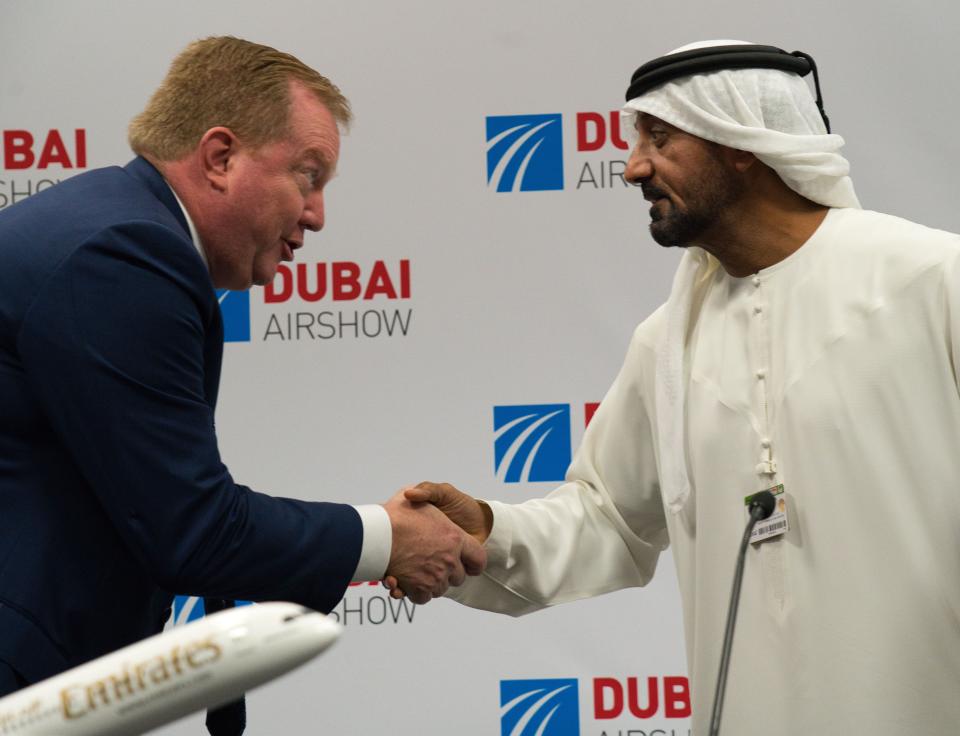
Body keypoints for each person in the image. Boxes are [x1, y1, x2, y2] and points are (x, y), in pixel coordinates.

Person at [390, 40, 960, 734]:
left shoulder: (930, 279)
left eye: (659, 138)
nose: (632, 168)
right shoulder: (669, 341)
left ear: (740, 142)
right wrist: (487, 529)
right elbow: (608, 521)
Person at [0, 36, 484, 700]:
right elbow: (195, 533)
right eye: (308, 176)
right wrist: (386, 539)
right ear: (221, 157)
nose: (316, 215)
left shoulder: (117, 230)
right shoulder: (127, 254)